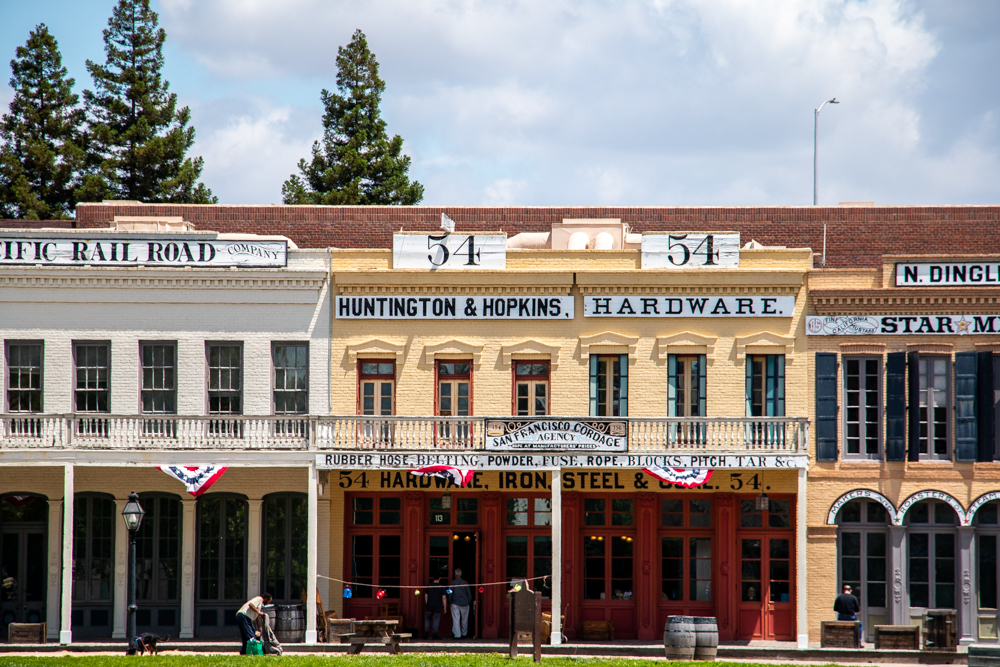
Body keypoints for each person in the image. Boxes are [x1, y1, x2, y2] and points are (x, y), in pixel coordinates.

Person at [449, 568, 473, 639]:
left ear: (455, 574)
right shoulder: (465, 583)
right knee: (464, 620)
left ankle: (457, 635)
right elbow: (469, 593)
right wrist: (469, 601)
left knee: (456, 619)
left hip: (455, 603)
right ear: (461, 574)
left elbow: (450, 593)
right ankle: (464, 634)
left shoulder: (452, 583)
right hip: (465, 603)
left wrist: (449, 601)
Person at [424, 574, 448, 640]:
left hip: (429, 606)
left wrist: (427, 603)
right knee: (436, 620)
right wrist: (445, 607)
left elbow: (426, 596)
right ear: (440, 578)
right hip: (437, 606)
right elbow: (444, 598)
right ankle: (434, 635)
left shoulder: (428, 586)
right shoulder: (441, 586)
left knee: (427, 619)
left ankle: (426, 634)